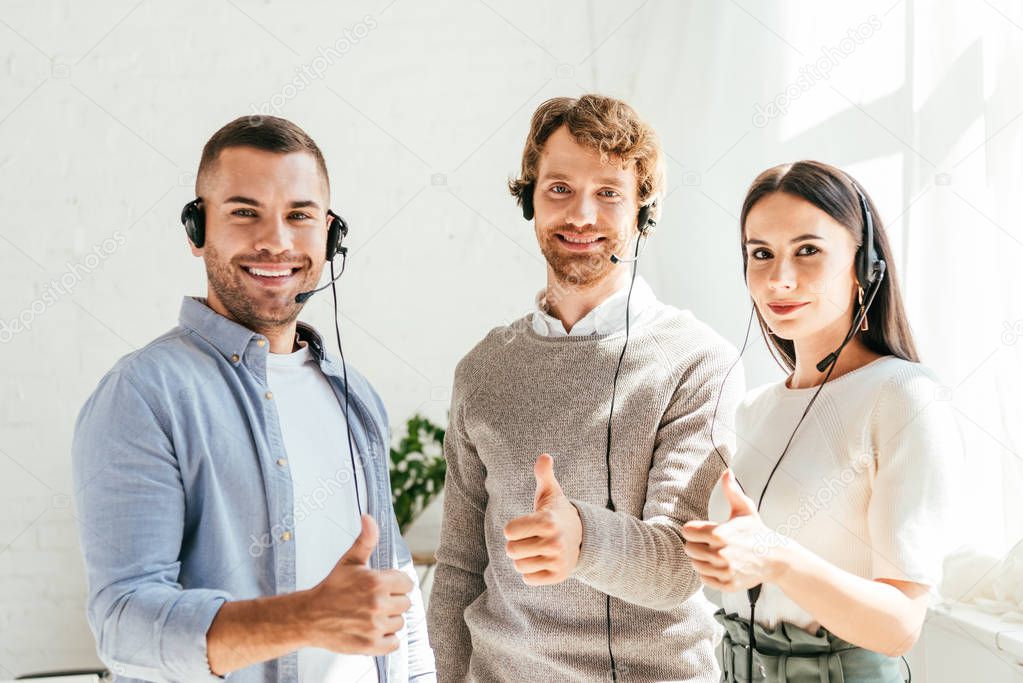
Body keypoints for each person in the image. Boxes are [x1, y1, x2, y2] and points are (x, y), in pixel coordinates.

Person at [72, 115, 436, 682]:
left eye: (299, 215)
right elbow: (123, 624)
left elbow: (397, 595)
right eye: (245, 213)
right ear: (197, 230)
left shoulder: (354, 397)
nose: (276, 241)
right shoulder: (144, 394)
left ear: (331, 236)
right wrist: (304, 618)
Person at [426, 94, 743, 682]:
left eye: (608, 193)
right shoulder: (483, 368)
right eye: (559, 189)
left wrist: (582, 538)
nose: (582, 216)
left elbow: (679, 563)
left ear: (643, 210)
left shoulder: (699, 361)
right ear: (529, 199)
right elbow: (459, 569)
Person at [681, 161, 962, 682]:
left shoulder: (902, 396)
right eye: (760, 254)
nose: (779, 278)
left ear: (865, 265)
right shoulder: (755, 409)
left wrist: (776, 555)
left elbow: (900, 627)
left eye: (807, 250)